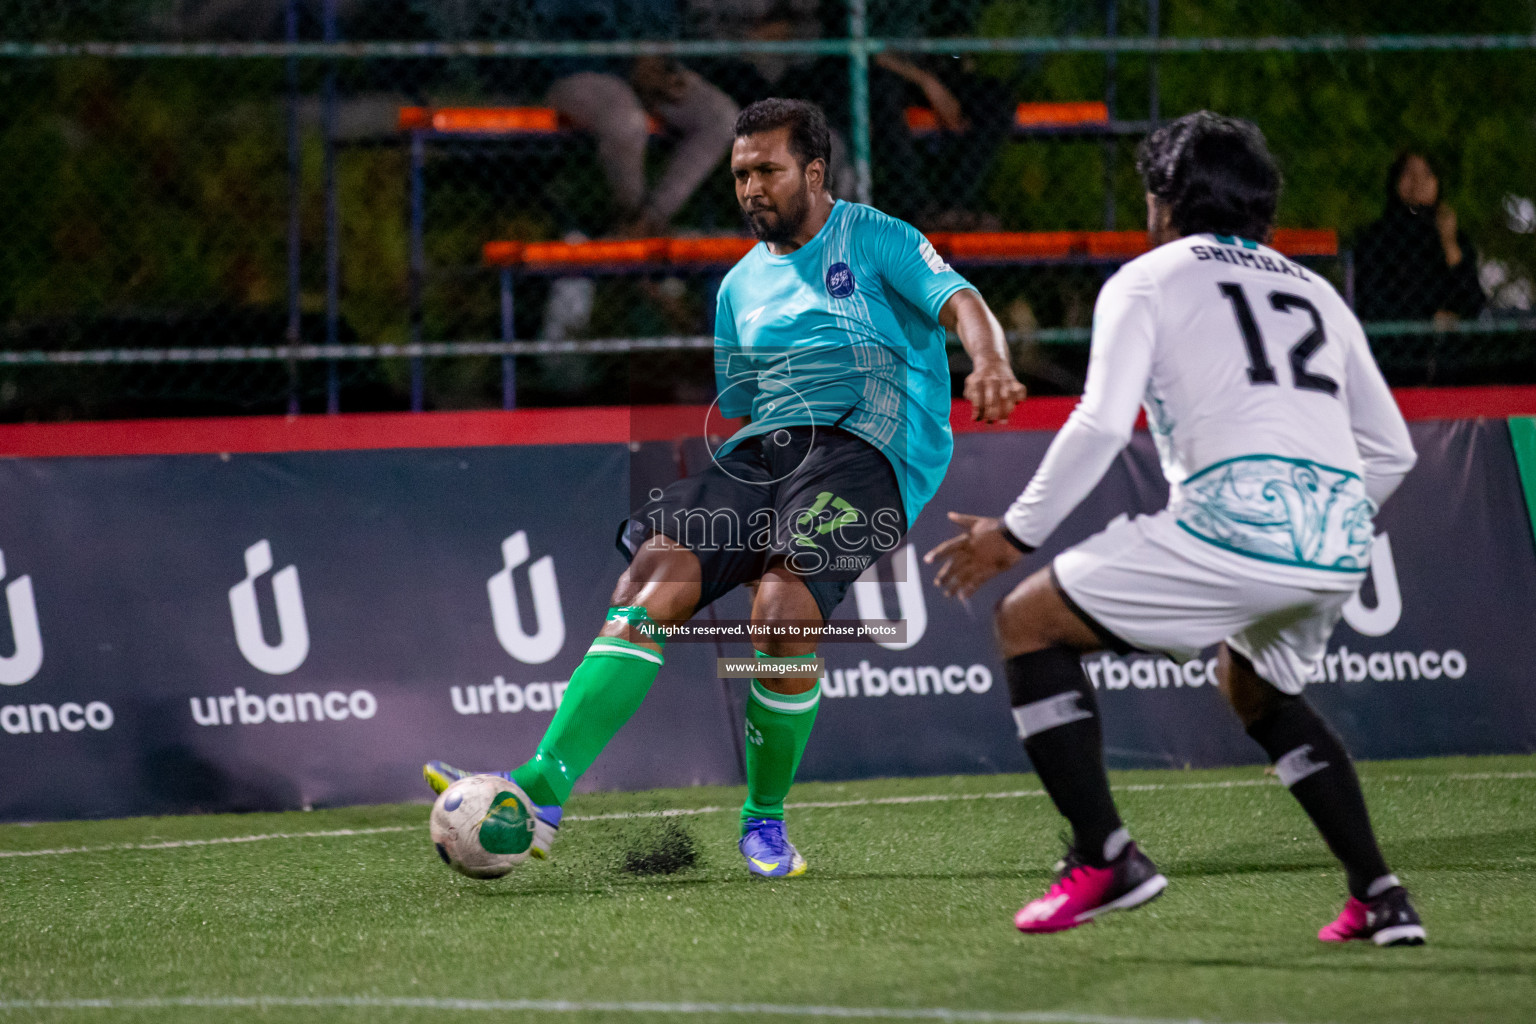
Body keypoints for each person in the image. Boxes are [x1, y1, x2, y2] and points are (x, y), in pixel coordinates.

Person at [426, 98, 1026, 878]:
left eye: (767, 171)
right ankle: (541, 790)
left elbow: (963, 303)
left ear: (814, 172)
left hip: (871, 451)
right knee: (651, 580)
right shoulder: (738, 288)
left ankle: (764, 821)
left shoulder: (875, 236)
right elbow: (742, 405)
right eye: (740, 174)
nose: (750, 189)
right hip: (766, 451)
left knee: (781, 609)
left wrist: (991, 362)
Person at [924, 111, 1427, 945]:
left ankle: (1103, 856)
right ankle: (1378, 893)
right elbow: (1394, 450)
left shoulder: (1149, 279)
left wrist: (1014, 534)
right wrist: (1329, 522)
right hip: (1338, 542)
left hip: (1234, 525)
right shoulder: (1317, 292)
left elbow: (1098, 424)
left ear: (1164, 200)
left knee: (1025, 623)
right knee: (1257, 687)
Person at [532, 0, 740, 237]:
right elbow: (569, 18)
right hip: (581, 66)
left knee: (720, 118)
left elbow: (678, 21)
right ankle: (629, 217)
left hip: (653, 67)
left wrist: (663, 65)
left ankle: (646, 223)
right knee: (627, 123)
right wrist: (631, 61)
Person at [1355, 151, 1485, 326]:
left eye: (1427, 173)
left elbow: (1472, 304)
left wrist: (1449, 244)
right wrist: (1429, 318)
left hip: (1445, 348)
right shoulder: (1377, 238)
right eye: (1409, 172)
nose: (1418, 181)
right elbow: (1371, 303)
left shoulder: (1453, 236)